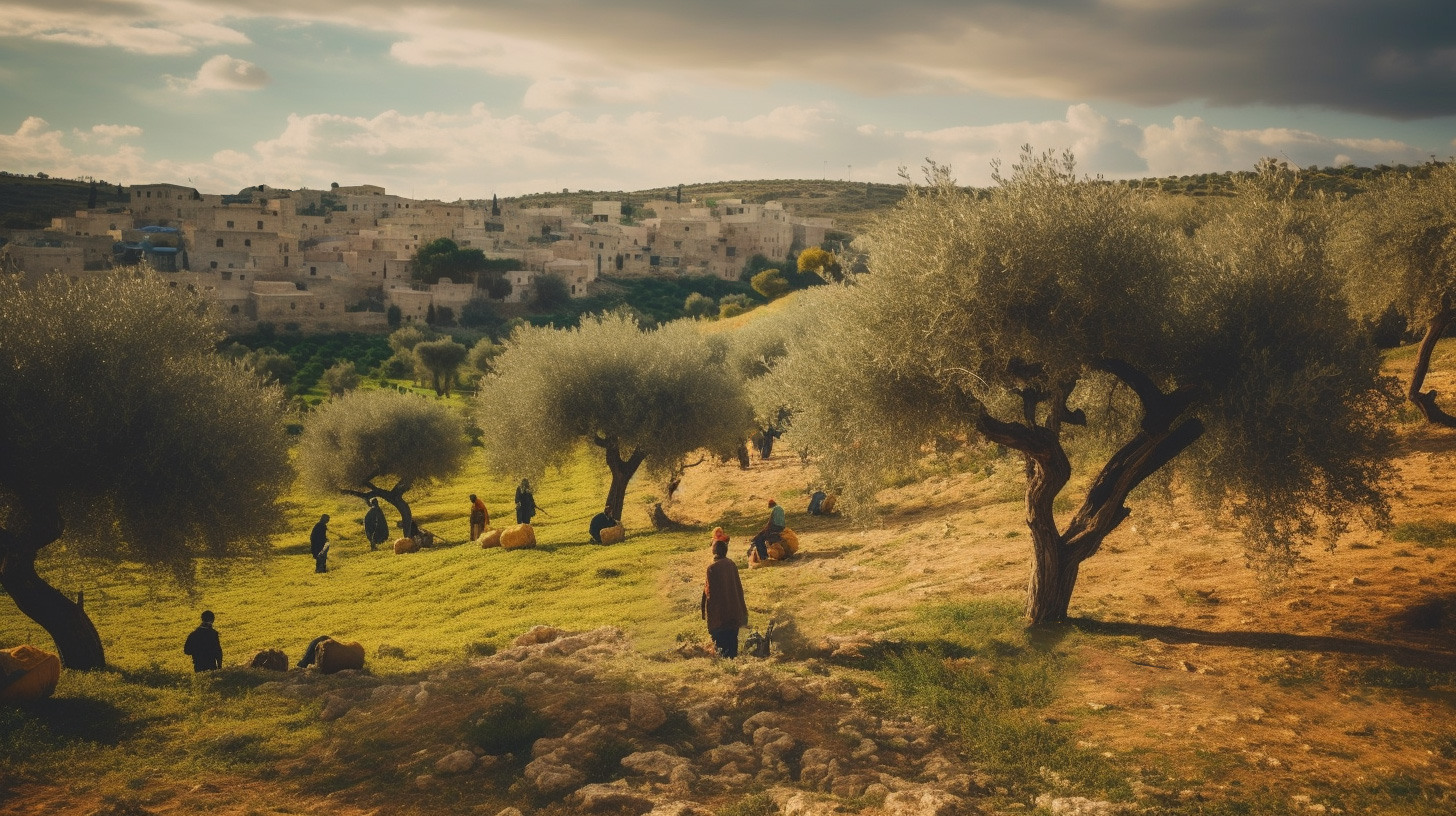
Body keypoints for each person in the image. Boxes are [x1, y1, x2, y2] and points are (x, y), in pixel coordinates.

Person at [701, 529, 748, 658]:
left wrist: (707, 613)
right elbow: (738, 588)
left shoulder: (712, 568)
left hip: (720, 618)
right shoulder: (731, 564)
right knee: (732, 647)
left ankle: (726, 665)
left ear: (715, 551)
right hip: (733, 614)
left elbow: (709, 593)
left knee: (722, 651)